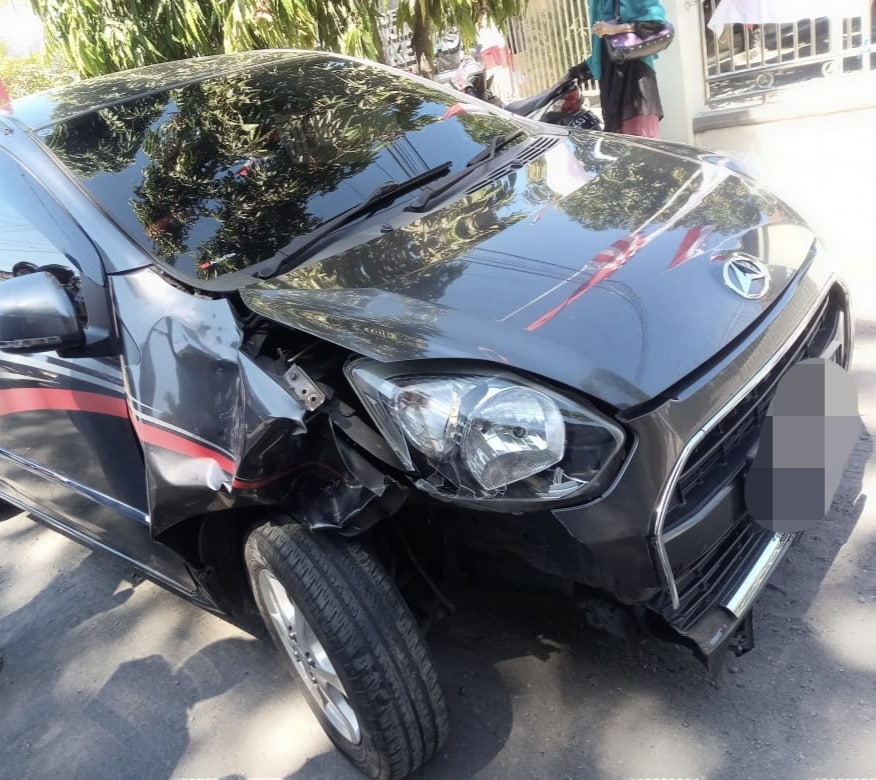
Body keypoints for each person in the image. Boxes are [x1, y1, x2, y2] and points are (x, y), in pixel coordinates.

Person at [587, 0, 668, 138]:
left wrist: (614, 29)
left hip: (635, 77)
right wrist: (580, 69)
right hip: (610, 78)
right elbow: (600, 49)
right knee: (618, 143)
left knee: (640, 142)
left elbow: (655, 22)